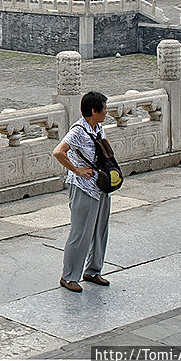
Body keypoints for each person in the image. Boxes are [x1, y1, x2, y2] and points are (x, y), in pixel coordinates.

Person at [53, 91, 112, 292]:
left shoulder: (98, 128)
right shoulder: (78, 131)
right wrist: (76, 170)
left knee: (99, 230)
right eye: (104, 108)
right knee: (80, 232)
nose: (106, 111)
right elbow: (58, 152)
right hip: (83, 186)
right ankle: (69, 276)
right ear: (94, 111)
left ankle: (93, 270)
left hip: (101, 185)